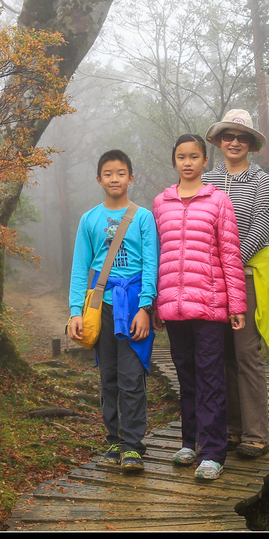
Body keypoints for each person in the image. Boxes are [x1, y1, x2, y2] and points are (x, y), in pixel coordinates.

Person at [152, 134, 247, 480]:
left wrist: (237, 304)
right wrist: (155, 303)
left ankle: (213, 452)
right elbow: (156, 255)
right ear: (174, 161)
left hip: (209, 306)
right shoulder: (161, 203)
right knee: (186, 376)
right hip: (173, 307)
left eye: (194, 156)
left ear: (206, 161)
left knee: (211, 377)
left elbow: (230, 254)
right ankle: (189, 442)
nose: (188, 162)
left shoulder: (218, 201)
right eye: (181, 156)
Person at [203, 109, 269, 460]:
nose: (235, 142)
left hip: (248, 275)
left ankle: (256, 433)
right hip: (211, 279)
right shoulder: (206, 180)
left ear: (251, 144)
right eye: (228, 136)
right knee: (221, 355)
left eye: (242, 137)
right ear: (220, 141)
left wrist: (230, 265)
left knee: (246, 353)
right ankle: (233, 429)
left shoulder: (262, 181)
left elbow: (259, 229)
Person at [68, 150, 158, 472]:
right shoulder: (89, 219)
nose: (115, 179)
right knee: (108, 376)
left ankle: (133, 446)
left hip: (134, 305)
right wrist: (75, 311)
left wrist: (146, 307)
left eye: (121, 173)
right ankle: (114, 441)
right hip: (101, 305)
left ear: (131, 178)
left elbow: (151, 264)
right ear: (99, 179)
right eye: (108, 173)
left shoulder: (144, 217)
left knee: (132, 377)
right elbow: (81, 268)